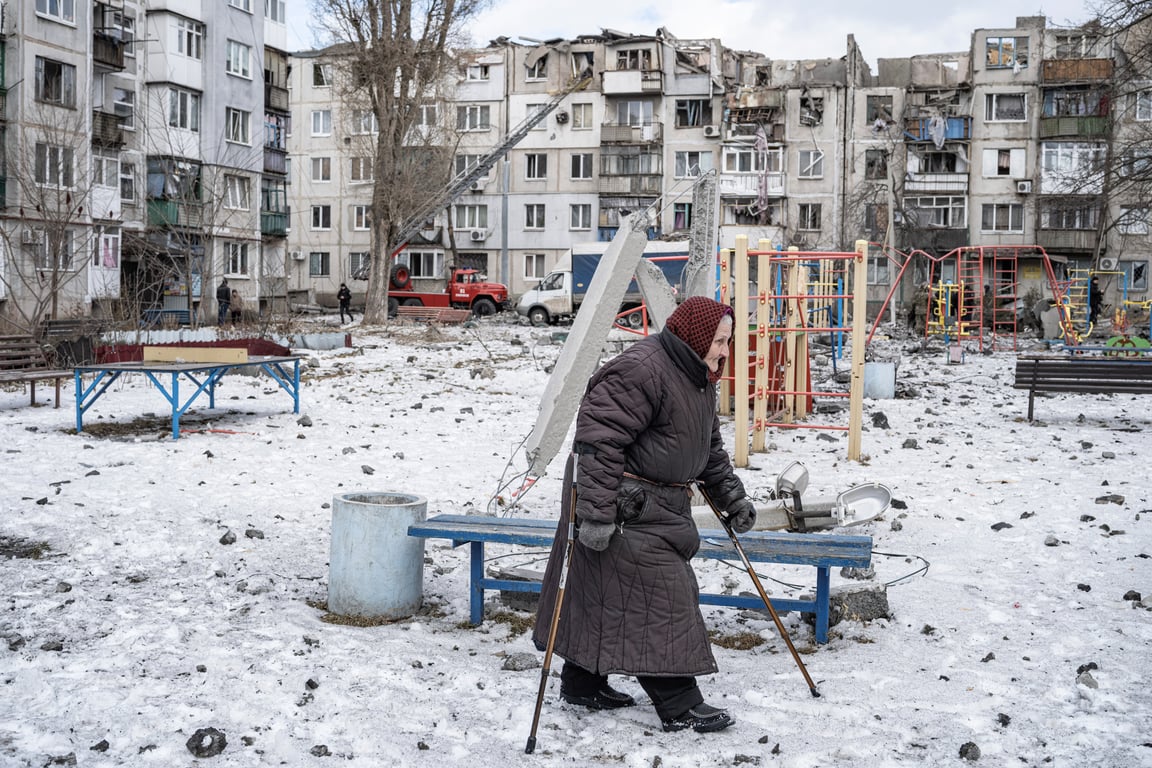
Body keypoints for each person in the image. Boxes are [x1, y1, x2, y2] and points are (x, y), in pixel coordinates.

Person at [532, 296, 757, 735]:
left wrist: (733, 499)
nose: (725, 350)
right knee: (664, 595)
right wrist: (596, 514)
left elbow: (707, 451)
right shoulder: (641, 369)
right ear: (695, 336)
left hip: (659, 505)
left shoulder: (698, 378)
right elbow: (598, 440)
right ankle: (678, 702)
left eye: (729, 341)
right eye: (720, 340)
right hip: (622, 503)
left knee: (600, 590)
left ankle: (582, 683)